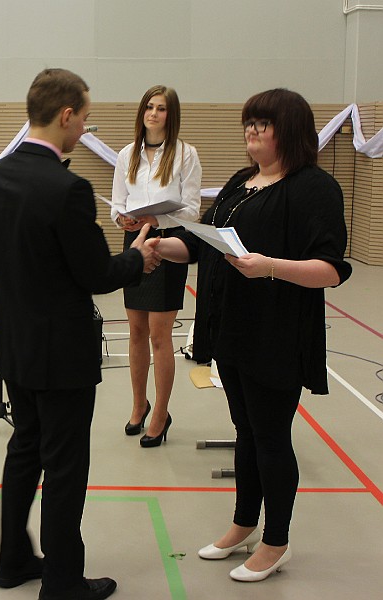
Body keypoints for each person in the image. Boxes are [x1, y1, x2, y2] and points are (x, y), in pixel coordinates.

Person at [148, 88, 352, 581]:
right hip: (232, 328)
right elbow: (204, 243)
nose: (251, 132)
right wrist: (160, 245)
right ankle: (243, 523)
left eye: (263, 124)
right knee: (246, 431)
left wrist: (270, 267)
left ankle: (276, 541)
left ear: (290, 131)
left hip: (276, 332)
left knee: (272, 437)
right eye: (249, 123)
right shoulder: (242, 182)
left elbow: (330, 269)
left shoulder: (314, 188)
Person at [0, 68, 160, 600]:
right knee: (64, 468)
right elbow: (96, 274)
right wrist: (137, 258)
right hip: (62, 355)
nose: (84, 130)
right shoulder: (68, 188)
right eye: (84, 119)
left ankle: (12, 560)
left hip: (16, 346)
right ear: (66, 115)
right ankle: (61, 581)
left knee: (25, 449)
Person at [111, 84, 202, 447]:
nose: (153, 113)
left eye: (161, 108)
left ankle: (161, 414)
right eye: (149, 107)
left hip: (168, 244)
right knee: (135, 332)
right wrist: (123, 219)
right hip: (134, 243)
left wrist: (155, 219)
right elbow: (118, 203)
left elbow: (192, 210)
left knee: (159, 336)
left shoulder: (186, 154)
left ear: (171, 114)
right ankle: (139, 405)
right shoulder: (126, 154)